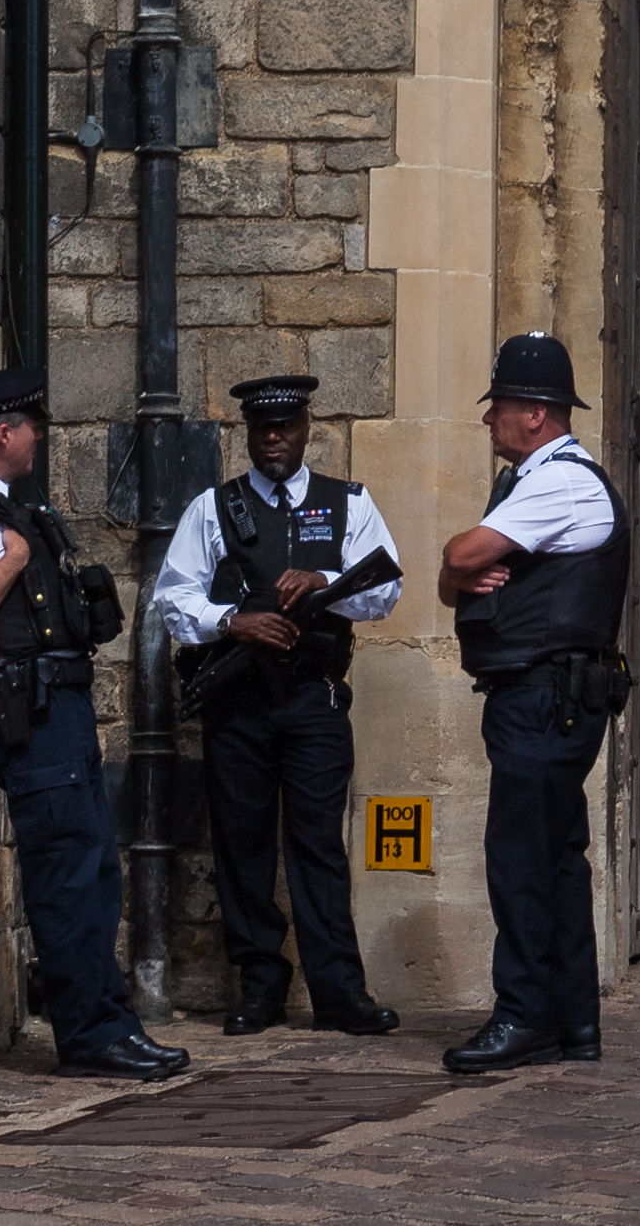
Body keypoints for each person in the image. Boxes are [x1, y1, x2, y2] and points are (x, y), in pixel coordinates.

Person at [0, 358, 180, 1084]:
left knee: (93, 870)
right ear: (2, 430)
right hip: (26, 715)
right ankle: (92, 1032)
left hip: (55, 710)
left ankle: (108, 1020)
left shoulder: (7, 505)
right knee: (68, 875)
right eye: (32, 425)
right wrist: (13, 561)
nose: (38, 438)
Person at [147, 363, 403, 1036]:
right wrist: (233, 620)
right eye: (262, 427)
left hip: (313, 696)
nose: (273, 438)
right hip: (240, 699)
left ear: (306, 428)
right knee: (243, 845)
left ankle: (338, 991)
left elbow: (385, 591)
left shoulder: (347, 502)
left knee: (318, 843)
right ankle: (258, 984)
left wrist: (326, 578)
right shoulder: (215, 507)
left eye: (285, 425)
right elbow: (173, 599)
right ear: (248, 432)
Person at [434, 330, 628, 1079]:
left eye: (500, 406)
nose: (489, 420)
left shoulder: (561, 480)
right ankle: (572, 1017)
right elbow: (459, 576)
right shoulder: (533, 483)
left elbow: (457, 557)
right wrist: (460, 575)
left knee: (519, 858)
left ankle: (523, 1014)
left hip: (545, 692)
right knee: (552, 861)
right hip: (543, 692)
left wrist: (461, 569)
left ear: (537, 414)